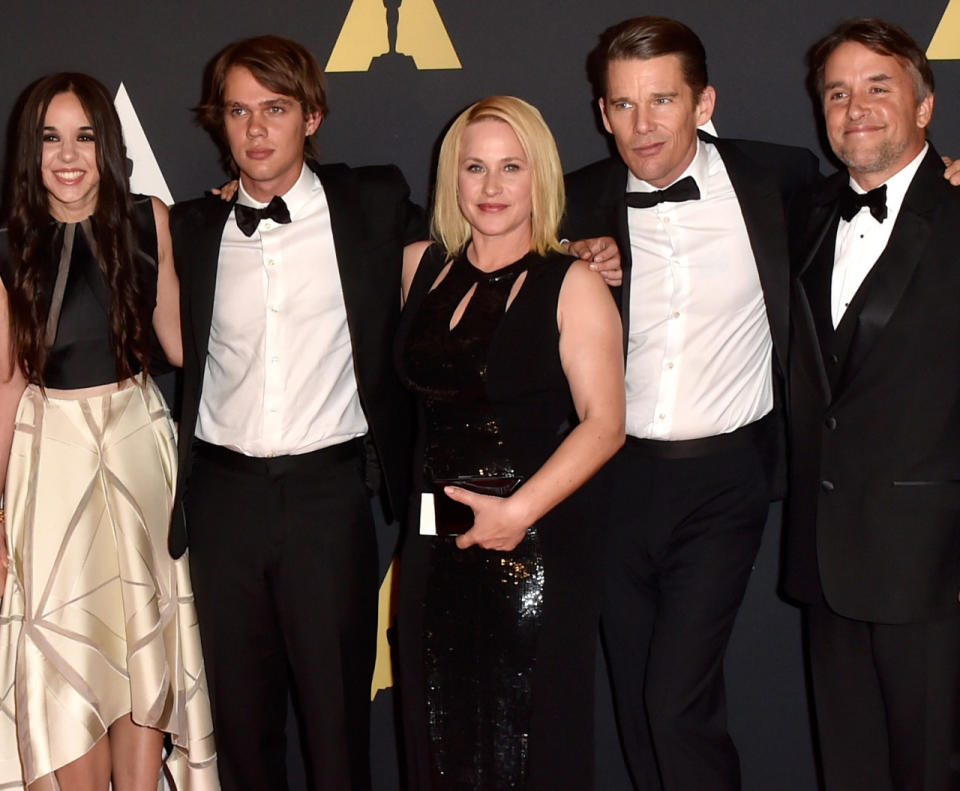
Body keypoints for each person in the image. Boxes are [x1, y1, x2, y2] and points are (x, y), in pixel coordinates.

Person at [561, 17, 822, 791]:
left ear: (704, 102)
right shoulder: (573, 203)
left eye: (663, 100)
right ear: (603, 112)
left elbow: (878, 197)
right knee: (638, 702)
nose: (643, 126)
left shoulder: (781, 178)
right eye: (624, 105)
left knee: (676, 700)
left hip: (725, 478)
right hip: (608, 479)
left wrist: (938, 176)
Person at [169, 36, 424, 790]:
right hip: (222, 503)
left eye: (274, 109)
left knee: (337, 724)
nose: (254, 130)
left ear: (311, 116)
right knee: (243, 729)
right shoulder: (191, 229)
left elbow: (484, 225)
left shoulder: (372, 202)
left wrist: (584, 245)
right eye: (238, 111)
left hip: (327, 497)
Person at [395, 95, 625, 790]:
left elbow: (605, 422)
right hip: (433, 551)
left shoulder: (575, 282)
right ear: (452, 178)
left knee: (531, 749)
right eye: (475, 167)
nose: (491, 188)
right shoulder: (417, 267)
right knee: (434, 743)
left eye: (510, 167)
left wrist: (516, 513)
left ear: (540, 177)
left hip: (534, 556)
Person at [0, 73, 217, 790]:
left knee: (142, 647)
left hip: (136, 447)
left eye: (85, 136)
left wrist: (222, 234)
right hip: (50, 458)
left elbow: (181, 346)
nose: (68, 156)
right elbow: (6, 385)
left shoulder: (146, 219)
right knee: (67, 654)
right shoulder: (6, 246)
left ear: (108, 146)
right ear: (29, 152)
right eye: (51, 138)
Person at [783, 18, 960, 790]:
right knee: (847, 770)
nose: (855, 106)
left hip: (933, 563)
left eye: (878, 86)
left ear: (924, 105)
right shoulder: (802, 213)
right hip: (825, 557)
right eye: (838, 92)